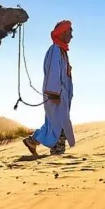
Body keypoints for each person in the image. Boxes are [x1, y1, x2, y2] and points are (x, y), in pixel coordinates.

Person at [23, 20, 75, 156]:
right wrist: (54, 93)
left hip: (60, 96)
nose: (72, 36)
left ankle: (32, 141)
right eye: (70, 32)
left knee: (53, 124)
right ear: (63, 33)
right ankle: (57, 155)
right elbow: (53, 72)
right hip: (55, 95)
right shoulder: (55, 51)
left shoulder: (62, 52)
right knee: (59, 126)